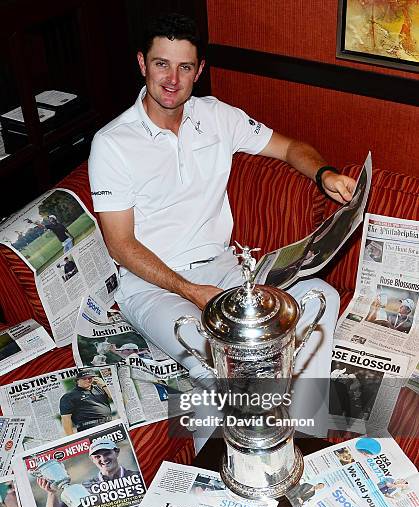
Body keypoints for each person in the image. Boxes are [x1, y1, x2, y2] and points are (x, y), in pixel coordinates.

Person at [88, 13, 356, 448]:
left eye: (185, 67)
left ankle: (307, 435)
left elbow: (289, 147)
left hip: (224, 269)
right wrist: (191, 290)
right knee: (217, 363)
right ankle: (223, 481)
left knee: (320, 300)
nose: (172, 79)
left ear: (200, 70)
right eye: (161, 64)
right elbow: (120, 244)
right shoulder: (113, 143)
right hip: (152, 286)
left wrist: (323, 173)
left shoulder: (216, 117)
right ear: (142, 63)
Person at [37, 437, 141, 507]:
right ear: (92, 459)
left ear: (116, 452)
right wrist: (51, 493)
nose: (103, 459)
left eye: (107, 453)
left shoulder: (138, 477)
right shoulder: (84, 487)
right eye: (97, 457)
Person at [59, 369, 113, 435]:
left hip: (109, 424)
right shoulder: (69, 396)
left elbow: (115, 398)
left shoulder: (100, 388)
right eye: (84, 378)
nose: (88, 380)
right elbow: (66, 419)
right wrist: (72, 439)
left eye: (90, 378)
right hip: (89, 429)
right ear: (77, 381)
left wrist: (104, 385)